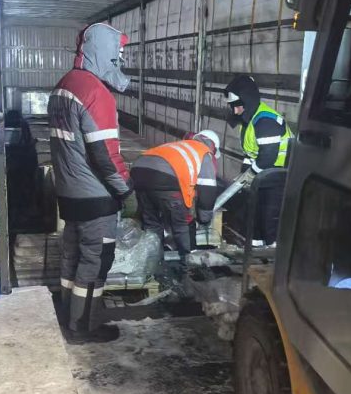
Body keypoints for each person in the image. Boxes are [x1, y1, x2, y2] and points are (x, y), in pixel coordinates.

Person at [48, 22, 132, 343]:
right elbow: (105, 155)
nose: (119, 59)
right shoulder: (96, 93)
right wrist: (126, 191)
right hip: (96, 197)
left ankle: (67, 314)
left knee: (72, 255)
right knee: (95, 263)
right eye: (117, 53)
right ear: (103, 51)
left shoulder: (64, 85)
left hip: (68, 193)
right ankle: (83, 327)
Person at [129, 130, 221, 267]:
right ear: (213, 147)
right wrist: (204, 218)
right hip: (165, 178)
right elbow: (208, 189)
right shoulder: (204, 153)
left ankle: (153, 264)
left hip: (138, 170)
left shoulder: (180, 146)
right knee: (181, 224)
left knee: (152, 224)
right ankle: (188, 264)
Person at [222, 74, 291, 245]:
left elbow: (268, 157)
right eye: (232, 106)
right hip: (266, 173)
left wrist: (250, 174)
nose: (235, 111)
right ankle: (256, 246)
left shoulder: (266, 121)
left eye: (237, 106)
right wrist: (244, 174)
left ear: (248, 100)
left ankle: (273, 249)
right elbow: (251, 153)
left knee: (269, 217)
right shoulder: (249, 122)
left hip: (280, 173)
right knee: (254, 215)